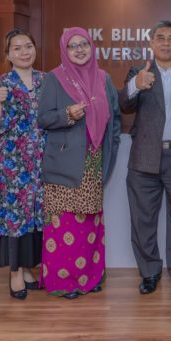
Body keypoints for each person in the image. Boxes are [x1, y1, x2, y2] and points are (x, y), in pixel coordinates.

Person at [38, 27, 121, 299]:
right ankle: (64, 281)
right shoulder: (54, 78)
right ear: (65, 49)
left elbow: (114, 118)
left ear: (91, 46)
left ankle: (90, 276)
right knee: (64, 223)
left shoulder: (103, 78)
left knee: (89, 221)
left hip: (93, 160)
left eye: (83, 44)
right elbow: (43, 118)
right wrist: (67, 115)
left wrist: (111, 149)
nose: (79, 50)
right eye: (72, 46)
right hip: (64, 162)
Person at [119, 20, 171, 295]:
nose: (166, 43)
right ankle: (149, 272)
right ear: (152, 43)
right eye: (161, 38)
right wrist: (136, 85)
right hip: (144, 158)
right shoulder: (139, 73)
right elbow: (123, 105)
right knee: (142, 220)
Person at [0, 29, 46, 300]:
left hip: (42, 161)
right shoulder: (1, 83)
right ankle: (15, 272)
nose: (24, 52)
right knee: (15, 216)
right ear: (8, 54)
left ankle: (28, 266)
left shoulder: (46, 80)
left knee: (36, 215)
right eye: (17, 48)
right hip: (13, 162)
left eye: (28, 46)